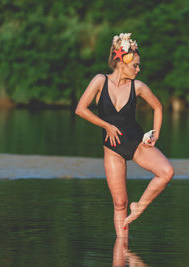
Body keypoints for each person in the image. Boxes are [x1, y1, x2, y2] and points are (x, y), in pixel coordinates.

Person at [75, 33, 174, 237]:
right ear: (122, 62)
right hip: (113, 150)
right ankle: (122, 249)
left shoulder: (138, 87)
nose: (138, 69)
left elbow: (158, 107)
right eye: (135, 65)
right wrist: (107, 126)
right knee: (120, 204)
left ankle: (140, 206)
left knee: (167, 172)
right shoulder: (99, 81)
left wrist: (155, 134)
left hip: (137, 143)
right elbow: (81, 109)